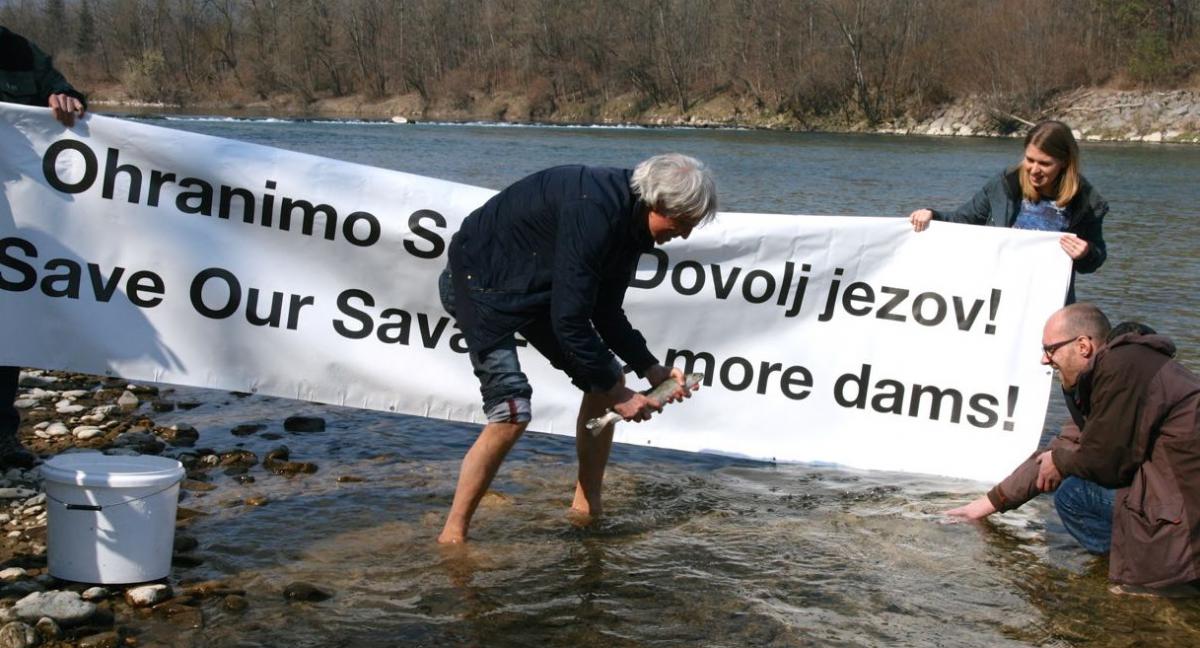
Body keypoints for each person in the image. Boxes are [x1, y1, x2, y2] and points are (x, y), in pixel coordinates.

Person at [437, 154, 717, 544]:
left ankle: (587, 508)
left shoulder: (630, 222)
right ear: (659, 205)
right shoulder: (595, 213)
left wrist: (649, 368)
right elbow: (570, 319)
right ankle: (453, 537)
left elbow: (604, 310)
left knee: (604, 378)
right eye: (682, 223)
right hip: (479, 282)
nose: (684, 235)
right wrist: (619, 394)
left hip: (535, 285)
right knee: (512, 411)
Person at [948, 303, 1200, 596]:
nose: (1044, 359)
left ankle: (1155, 577)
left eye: (1050, 349)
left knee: (1074, 494)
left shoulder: (1122, 365)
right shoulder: (1124, 372)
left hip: (1187, 516)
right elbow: (1066, 444)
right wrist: (985, 505)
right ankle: (1139, 564)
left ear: (1083, 345)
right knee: (1067, 473)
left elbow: (1104, 464)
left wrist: (1061, 463)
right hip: (1184, 502)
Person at [0, 25, 88, 469]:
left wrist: (66, 97)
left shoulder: (17, 51)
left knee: (6, 327)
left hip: (14, 222)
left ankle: (1, 438)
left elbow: (58, 89)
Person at [908, 120, 1107, 303]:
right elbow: (964, 219)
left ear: (1064, 162)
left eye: (1044, 164)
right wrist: (933, 215)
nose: (1034, 170)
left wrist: (1086, 252)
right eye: (1030, 160)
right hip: (997, 297)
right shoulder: (1004, 185)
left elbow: (1093, 261)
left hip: (1048, 303)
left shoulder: (1086, 201)